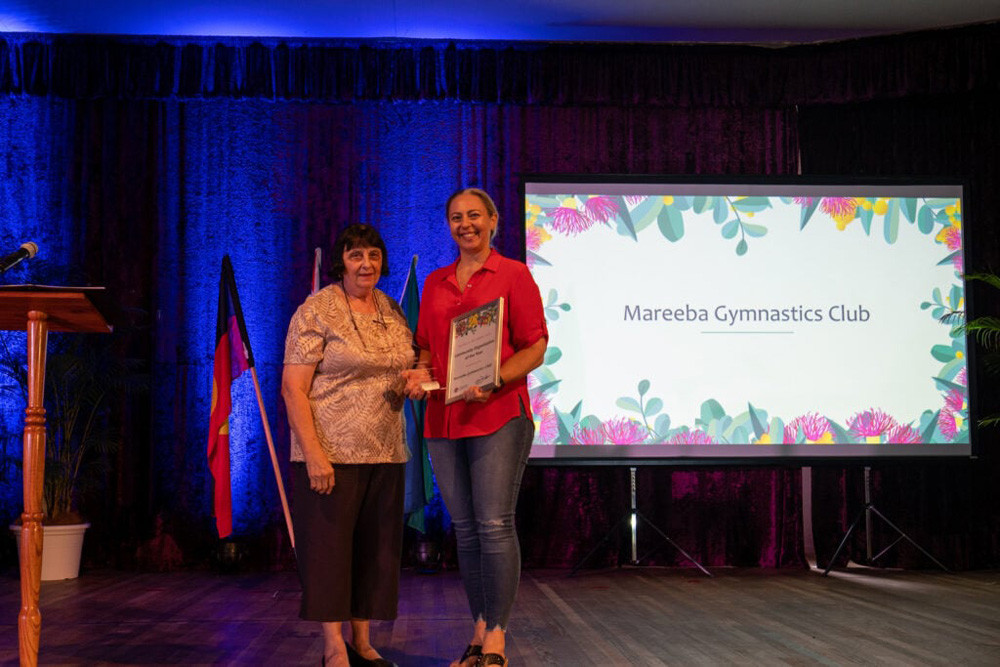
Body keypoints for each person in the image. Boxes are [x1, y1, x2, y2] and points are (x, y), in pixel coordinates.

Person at [403, 188, 548, 667]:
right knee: (465, 531)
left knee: (493, 524)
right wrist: (419, 376)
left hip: (499, 414)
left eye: (473, 216)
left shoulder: (514, 274)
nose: (464, 224)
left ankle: (498, 638)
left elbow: (536, 346)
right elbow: (425, 349)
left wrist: (496, 377)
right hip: (444, 419)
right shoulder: (436, 281)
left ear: (493, 220)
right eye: (455, 217)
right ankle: (479, 626)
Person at [282, 223, 413, 667]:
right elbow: (292, 388)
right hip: (331, 453)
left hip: (387, 450)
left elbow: (403, 365)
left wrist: (414, 381)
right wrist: (314, 454)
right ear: (341, 261)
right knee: (330, 552)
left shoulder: (392, 309)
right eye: (357, 255)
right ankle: (333, 645)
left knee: (374, 552)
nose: (367, 264)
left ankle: (363, 640)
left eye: (374, 255)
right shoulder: (316, 310)